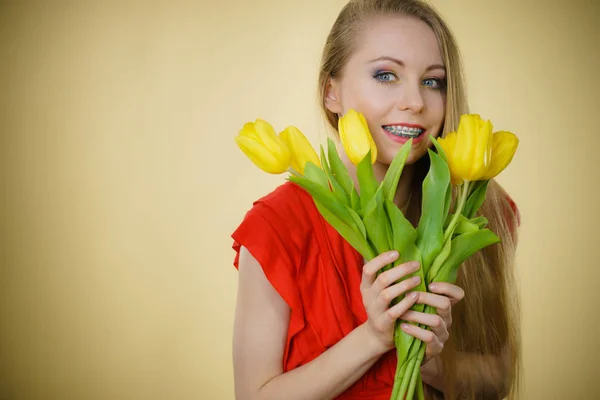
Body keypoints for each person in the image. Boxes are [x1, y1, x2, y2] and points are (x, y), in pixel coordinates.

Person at [230, 0, 522, 399]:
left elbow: (500, 379)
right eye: (386, 75)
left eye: (433, 81)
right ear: (331, 93)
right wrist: (374, 338)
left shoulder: (476, 212)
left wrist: (428, 354)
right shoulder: (278, 226)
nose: (415, 101)